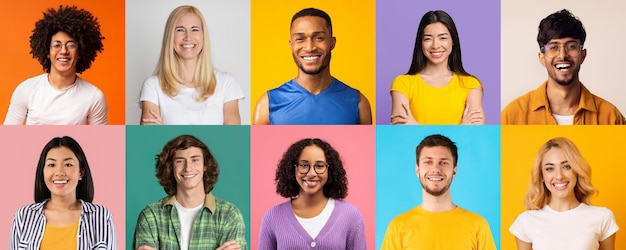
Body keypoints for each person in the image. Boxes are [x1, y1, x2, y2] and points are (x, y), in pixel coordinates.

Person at [501, 9, 625, 125]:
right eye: (554, 47)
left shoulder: (611, 118)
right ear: (542, 58)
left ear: (583, 55)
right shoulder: (512, 117)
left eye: (571, 46)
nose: (563, 55)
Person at [253, 8, 372, 125]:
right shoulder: (266, 105)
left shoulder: (359, 103)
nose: (309, 48)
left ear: (332, 42)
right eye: (300, 39)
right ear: (291, 45)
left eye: (318, 38)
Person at [381, 134, 496, 249]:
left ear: (454, 171)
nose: (436, 169)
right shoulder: (397, 227)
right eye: (428, 162)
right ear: (417, 169)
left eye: (444, 162)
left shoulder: (478, 226)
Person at [133, 134, 247, 250]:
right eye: (180, 161)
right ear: (170, 167)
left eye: (195, 160)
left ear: (205, 165)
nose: (188, 168)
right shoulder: (151, 216)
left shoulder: (229, 215)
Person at [139, 5, 244, 125]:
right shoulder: (153, 86)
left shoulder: (227, 83)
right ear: (170, 37)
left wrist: (166, 131)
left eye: (194, 29)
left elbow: (233, 139)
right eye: (180, 30)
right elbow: (150, 140)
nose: (188, 37)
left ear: (203, 36)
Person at [4, 5, 107, 125]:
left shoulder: (94, 97)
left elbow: (100, 143)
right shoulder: (26, 90)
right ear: (47, 52)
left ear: (80, 52)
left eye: (71, 45)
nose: (64, 51)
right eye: (57, 45)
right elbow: (7, 140)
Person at [509, 137, 618, 250]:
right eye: (550, 169)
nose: (559, 176)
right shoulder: (526, 221)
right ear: (541, 175)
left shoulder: (602, 217)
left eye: (567, 166)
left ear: (577, 170)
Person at [10, 136, 117, 249]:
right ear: (43, 172)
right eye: (52, 165)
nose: (59, 172)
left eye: (68, 164)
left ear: (81, 172)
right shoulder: (24, 216)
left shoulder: (101, 217)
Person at [258, 138, 366, 249]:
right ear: (293, 168)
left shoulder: (351, 216)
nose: (311, 173)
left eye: (319, 166)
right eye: (304, 165)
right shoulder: (272, 218)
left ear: (330, 169)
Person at [390, 10, 484, 125]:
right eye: (428, 39)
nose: (435, 45)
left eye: (443, 38)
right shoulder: (402, 83)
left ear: (453, 41)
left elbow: (475, 134)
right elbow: (401, 131)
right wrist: (461, 128)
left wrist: (415, 126)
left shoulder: (470, 84)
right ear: (420, 43)